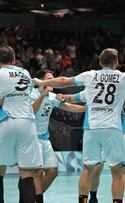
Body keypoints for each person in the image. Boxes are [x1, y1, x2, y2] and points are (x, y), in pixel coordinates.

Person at [34, 48, 125, 203]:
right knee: (117, 171)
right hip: (113, 129)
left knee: (88, 169)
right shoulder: (124, 77)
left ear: (100, 62)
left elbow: (63, 81)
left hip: (92, 129)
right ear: (116, 62)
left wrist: (43, 82)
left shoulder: (90, 76)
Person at [0, 46, 43, 203]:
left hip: (6, 122)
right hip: (27, 123)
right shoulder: (25, 73)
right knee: (27, 172)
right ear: (14, 59)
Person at [29, 69, 86, 202]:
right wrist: (43, 94)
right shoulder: (32, 94)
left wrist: (87, 108)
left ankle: (34, 196)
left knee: (53, 171)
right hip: (32, 138)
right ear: (42, 81)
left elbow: (69, 107)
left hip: (45, 138)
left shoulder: (52, 97)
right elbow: (32, 111)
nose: (52, 81)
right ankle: (37, 199)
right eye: (49, 78)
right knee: (37, 172)